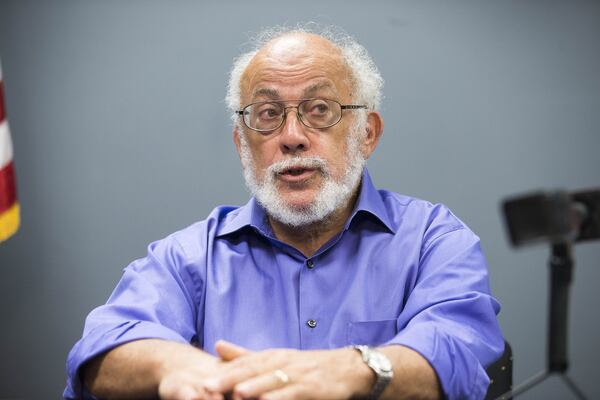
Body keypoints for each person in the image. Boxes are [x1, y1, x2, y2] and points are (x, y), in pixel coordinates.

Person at [64, 26, 504, 400]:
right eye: (268, 114)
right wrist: (181, 367)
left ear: (367, 134)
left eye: (319, 110)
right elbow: (101, 350)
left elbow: (459, 350)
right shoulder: (189, 257)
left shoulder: (433, 239)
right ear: (242, 144)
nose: (292, 136)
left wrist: (350, 370)